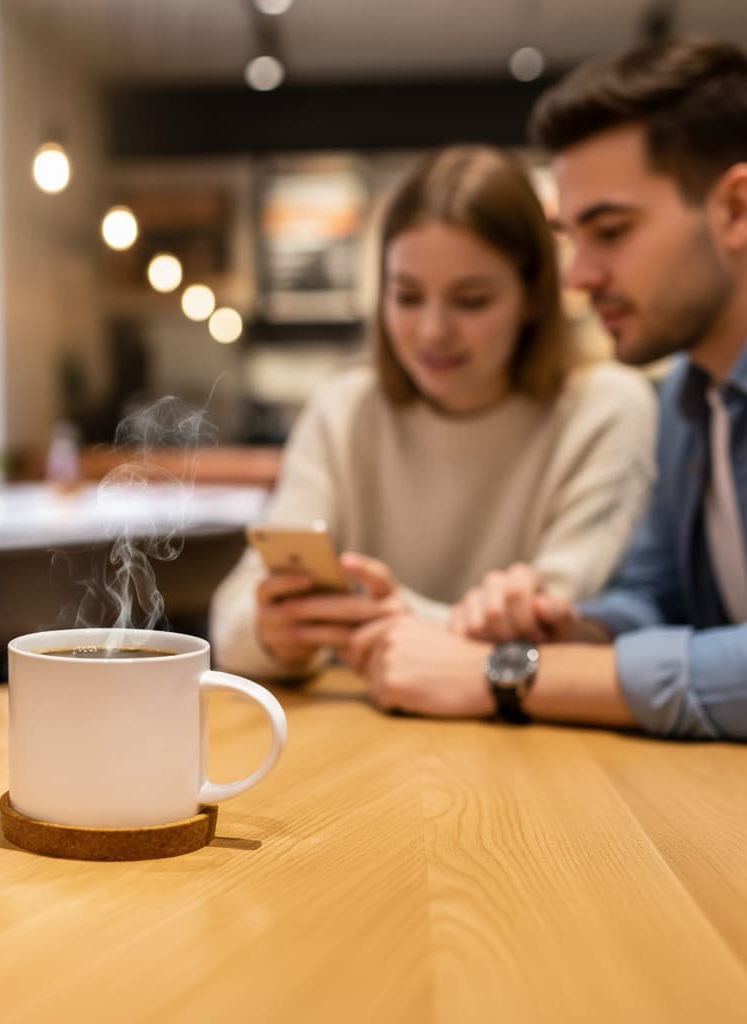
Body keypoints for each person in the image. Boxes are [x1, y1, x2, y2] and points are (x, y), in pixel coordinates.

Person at [347, 38, 747, 741]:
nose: (578, 277)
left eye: (611, 232)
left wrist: (507, 673)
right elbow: (656, 597)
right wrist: (564, 628)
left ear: (737, 210)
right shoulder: (687, 396)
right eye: (572, 238)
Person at [210, 145, 656, 683]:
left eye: (471, 300)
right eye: (407, 296)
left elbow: (558, 627)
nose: (432, 332)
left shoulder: (606, 409)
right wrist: (271, 630)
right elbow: (233, 621)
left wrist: (387, 619)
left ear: (533, 298)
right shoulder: (344, 410)